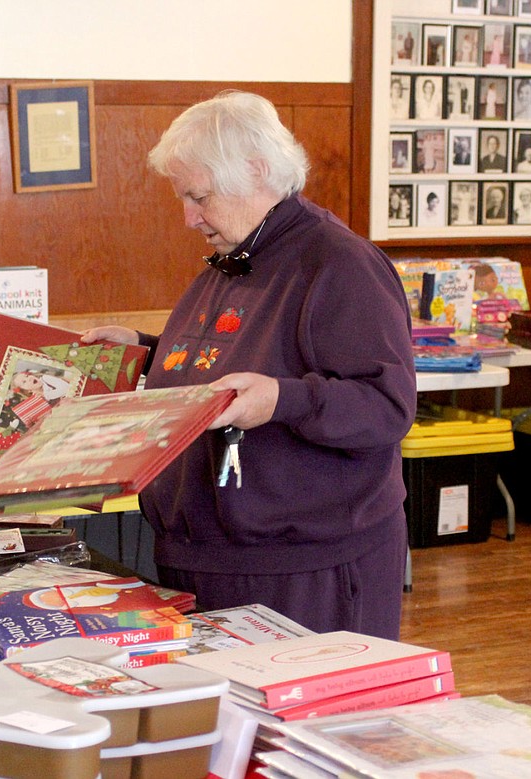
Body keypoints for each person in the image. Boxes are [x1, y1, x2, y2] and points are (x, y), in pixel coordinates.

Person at [79, 91, 417, 639]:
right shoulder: (238, 256)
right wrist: (144, 352)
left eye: (199, 196)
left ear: (257, 172)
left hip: (302, 569)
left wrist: (281, 401)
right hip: (210, 556)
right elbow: (237, 355)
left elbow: (386, 406)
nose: (189, 218)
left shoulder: (340, 263)